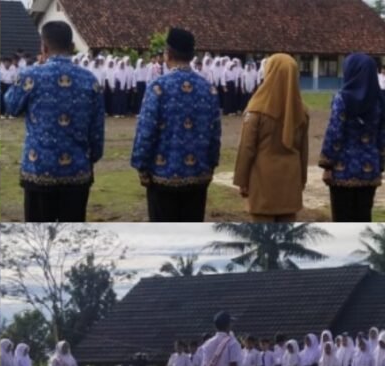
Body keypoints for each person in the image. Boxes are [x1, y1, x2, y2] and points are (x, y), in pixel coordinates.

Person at [4, 21, 105, 222]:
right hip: (77, 171)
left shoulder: (30, 76)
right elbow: (97, 130)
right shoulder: (89, 80)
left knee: (38, 239)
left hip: (39, 170)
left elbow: (11, 106)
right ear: (71, 46)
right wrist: (90, 158)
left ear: (44, 46)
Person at [131, 27, 222, 222]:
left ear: (168, 54)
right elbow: (215, 133)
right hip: (198, 175)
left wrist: (141, 165)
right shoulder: (208, 89)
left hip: (163, 176)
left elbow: (146, 131)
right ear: (191, 55)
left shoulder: (158, 87)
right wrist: (211, 164)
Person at [233, 53, 309, 222]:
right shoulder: (302, 112)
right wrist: (301, 180)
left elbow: (247, 148)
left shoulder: (256, 109)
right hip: (290, 182)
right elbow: (304, 151)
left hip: (262, 182)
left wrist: (242, 180)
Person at [319, 54, 385, 222]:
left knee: (342, 218)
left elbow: (335, 133)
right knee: (363, 216)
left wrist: (327, 165)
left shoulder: (342, 99)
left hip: (342, 171)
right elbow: (382, 136)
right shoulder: (380, 101)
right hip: (370, 169)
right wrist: (381, 164)